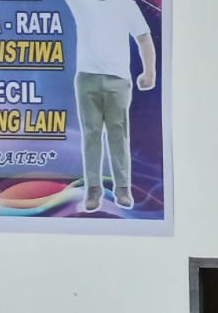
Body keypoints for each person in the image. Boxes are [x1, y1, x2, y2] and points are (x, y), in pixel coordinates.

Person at [67, 0, 157, 213]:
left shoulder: (126, 5)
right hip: (87, 77)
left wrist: (149, 71)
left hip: (118, 79)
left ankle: (123, 189)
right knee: (91, 135)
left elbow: (143, 37)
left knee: (118, 134)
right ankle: (93, 189)